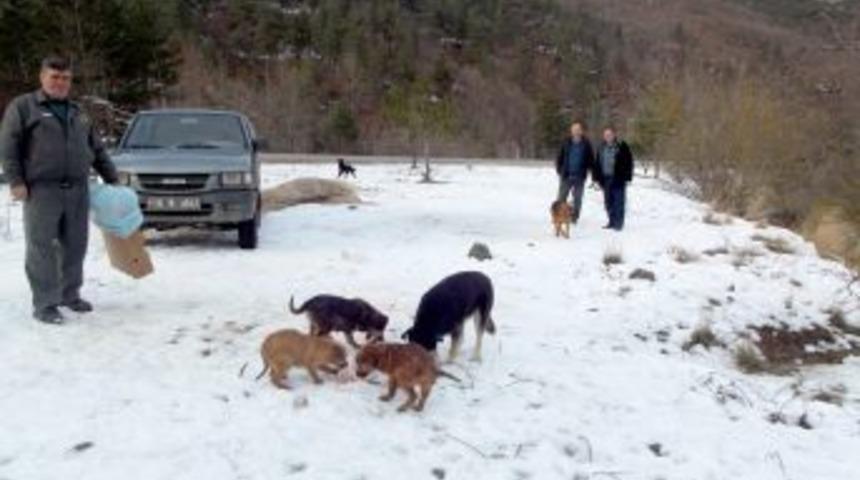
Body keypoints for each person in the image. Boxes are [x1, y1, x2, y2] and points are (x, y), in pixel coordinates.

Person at [0, 56, 118, 324]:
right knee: (42, 247)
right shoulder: (24, 107)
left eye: (65, 78)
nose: (60, 82)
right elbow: (8, 147)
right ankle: (45, 304)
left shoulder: (79, 111)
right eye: (54, 76)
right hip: (41, 190)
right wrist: (16, 181)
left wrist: (112, 179)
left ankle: (69, 294)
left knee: (76, 245)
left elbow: (96, 149)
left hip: (78, 189)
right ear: (42, 77)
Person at [554, 121, 595, 224]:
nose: (576, 132)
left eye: (578, 130)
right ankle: (558, 216)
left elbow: (591, 159)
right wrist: (559, 170)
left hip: (580, 177)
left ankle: (574, 218)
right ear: (571, 131)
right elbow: (560, 157)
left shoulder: (586, 143)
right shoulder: (566, 142)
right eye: (574, 129)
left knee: (578, 199)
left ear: (581, 131)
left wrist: (592, 171)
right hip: (566, 175)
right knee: (561, 198)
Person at [594, 126, 634, 231]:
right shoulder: (601, 147)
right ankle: (611, 222)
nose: (607, 137)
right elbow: (597, 163)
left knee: (618, 202)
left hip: (618, 178)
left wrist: (628, 177)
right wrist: (596, 177)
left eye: (609, 134)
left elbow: (629, 162)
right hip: (605, 179)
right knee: (608, 202)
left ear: (614, 135)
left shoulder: (622, 146)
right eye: (606, 135)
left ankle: (618, 224)